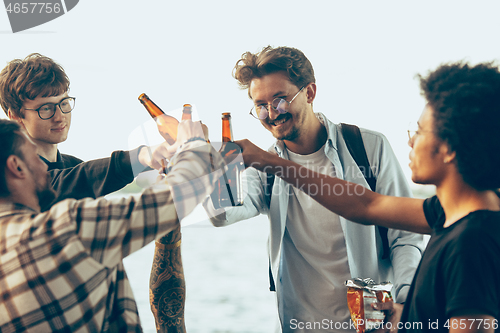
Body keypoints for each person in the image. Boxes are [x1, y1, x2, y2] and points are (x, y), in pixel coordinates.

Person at [235, 61, 500, 333]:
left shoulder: (471, 244)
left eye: (420, 131)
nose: (410, 141)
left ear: (449, 148)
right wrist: (405, 314)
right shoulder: (449, 214)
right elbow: (366, 205)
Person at [203, 46, 427, 332]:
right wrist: (209, 172)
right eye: (261, 105)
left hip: (372, 325)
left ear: (309, 93)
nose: (271, 113)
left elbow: (405, 236)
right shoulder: (262, 167)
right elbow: (222, 215)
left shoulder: (368, 148)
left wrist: (405, 303)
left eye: (280, 100)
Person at [0, 53, 186, 332]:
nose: (60, 115)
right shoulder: (14, 182)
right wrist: (145, 156)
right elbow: (67, 183)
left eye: (64, 103)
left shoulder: (73, 166)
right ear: (14, 116)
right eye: (45, 108)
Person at [0, 118, 223, 332]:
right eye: (35, 157)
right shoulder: (65, 228)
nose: (45, 167)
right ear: (16, 167)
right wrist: (194, 145)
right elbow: (173, 199)